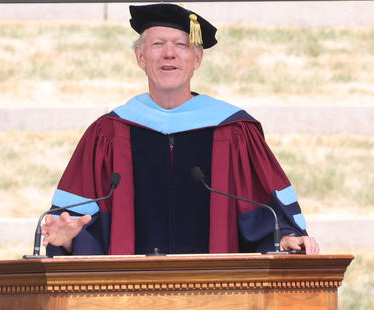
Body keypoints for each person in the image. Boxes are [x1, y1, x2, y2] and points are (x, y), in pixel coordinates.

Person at [42, 3, 319, 256]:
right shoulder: (108, 134)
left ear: (197, 59)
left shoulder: (234, 132)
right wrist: (66, 239)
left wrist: (284, 238)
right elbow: (74, 224)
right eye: (157, 44)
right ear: (140, 56)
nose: (169, 53)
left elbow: (265, 214)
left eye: (181, 45)